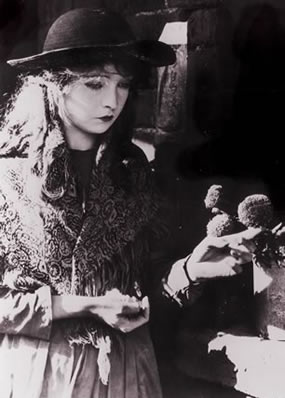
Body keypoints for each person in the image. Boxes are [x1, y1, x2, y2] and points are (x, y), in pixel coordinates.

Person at [0, 8, 260, 398]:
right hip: (42, 373)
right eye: (95, 84)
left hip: (127, 373)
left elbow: (141, 292)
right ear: (53, 85)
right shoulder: (9, 180)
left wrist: (189, 270)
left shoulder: (133, 176)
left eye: (122, 85)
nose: (113, 100)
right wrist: (81, 306)